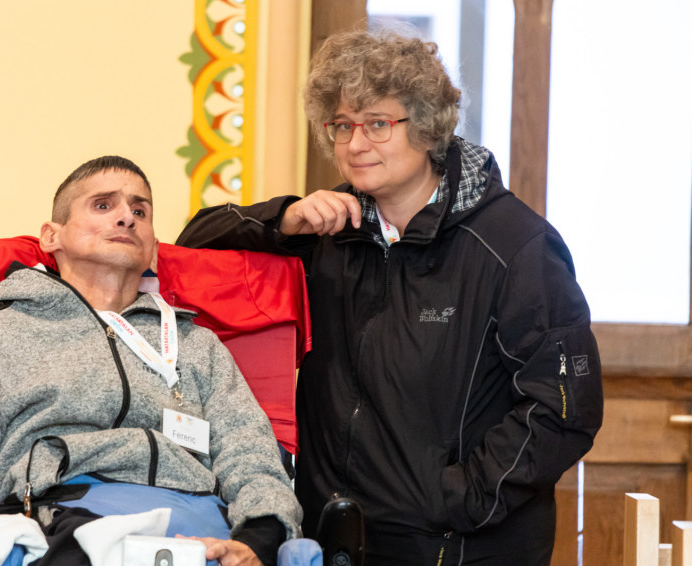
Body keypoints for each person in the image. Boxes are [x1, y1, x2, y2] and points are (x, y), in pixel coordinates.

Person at [176, 28, 603, 566]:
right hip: (333, 540)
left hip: (458, 547)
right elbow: (192, 249)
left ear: (425, 126)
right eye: (342, 125)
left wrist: (458, 499)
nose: (355, 145)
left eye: (378, 123)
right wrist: (283, 219)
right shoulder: (327, 229)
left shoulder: (516, 246)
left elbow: (564, 408)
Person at [0, 156, 303, 566]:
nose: (126, 218)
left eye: (140, 211)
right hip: (62, 521)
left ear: (153, 250)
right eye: (103, 205)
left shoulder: (197, 344)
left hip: (196, 525)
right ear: (51, 236)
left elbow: (249, 452)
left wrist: (258, 538)